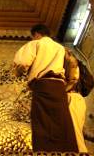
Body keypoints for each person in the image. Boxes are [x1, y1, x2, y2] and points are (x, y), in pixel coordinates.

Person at [13, 24, 78, 152]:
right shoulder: (61, 48)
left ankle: (45, 152)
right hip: (59, 87)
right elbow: (74, 69)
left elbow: (22, 63)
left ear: (36, 34)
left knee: (42, 122)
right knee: (62, 121)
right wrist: (68, 86)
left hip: (43, 86)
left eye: (33, 36)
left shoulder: (36, 44)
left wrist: (19, 72)